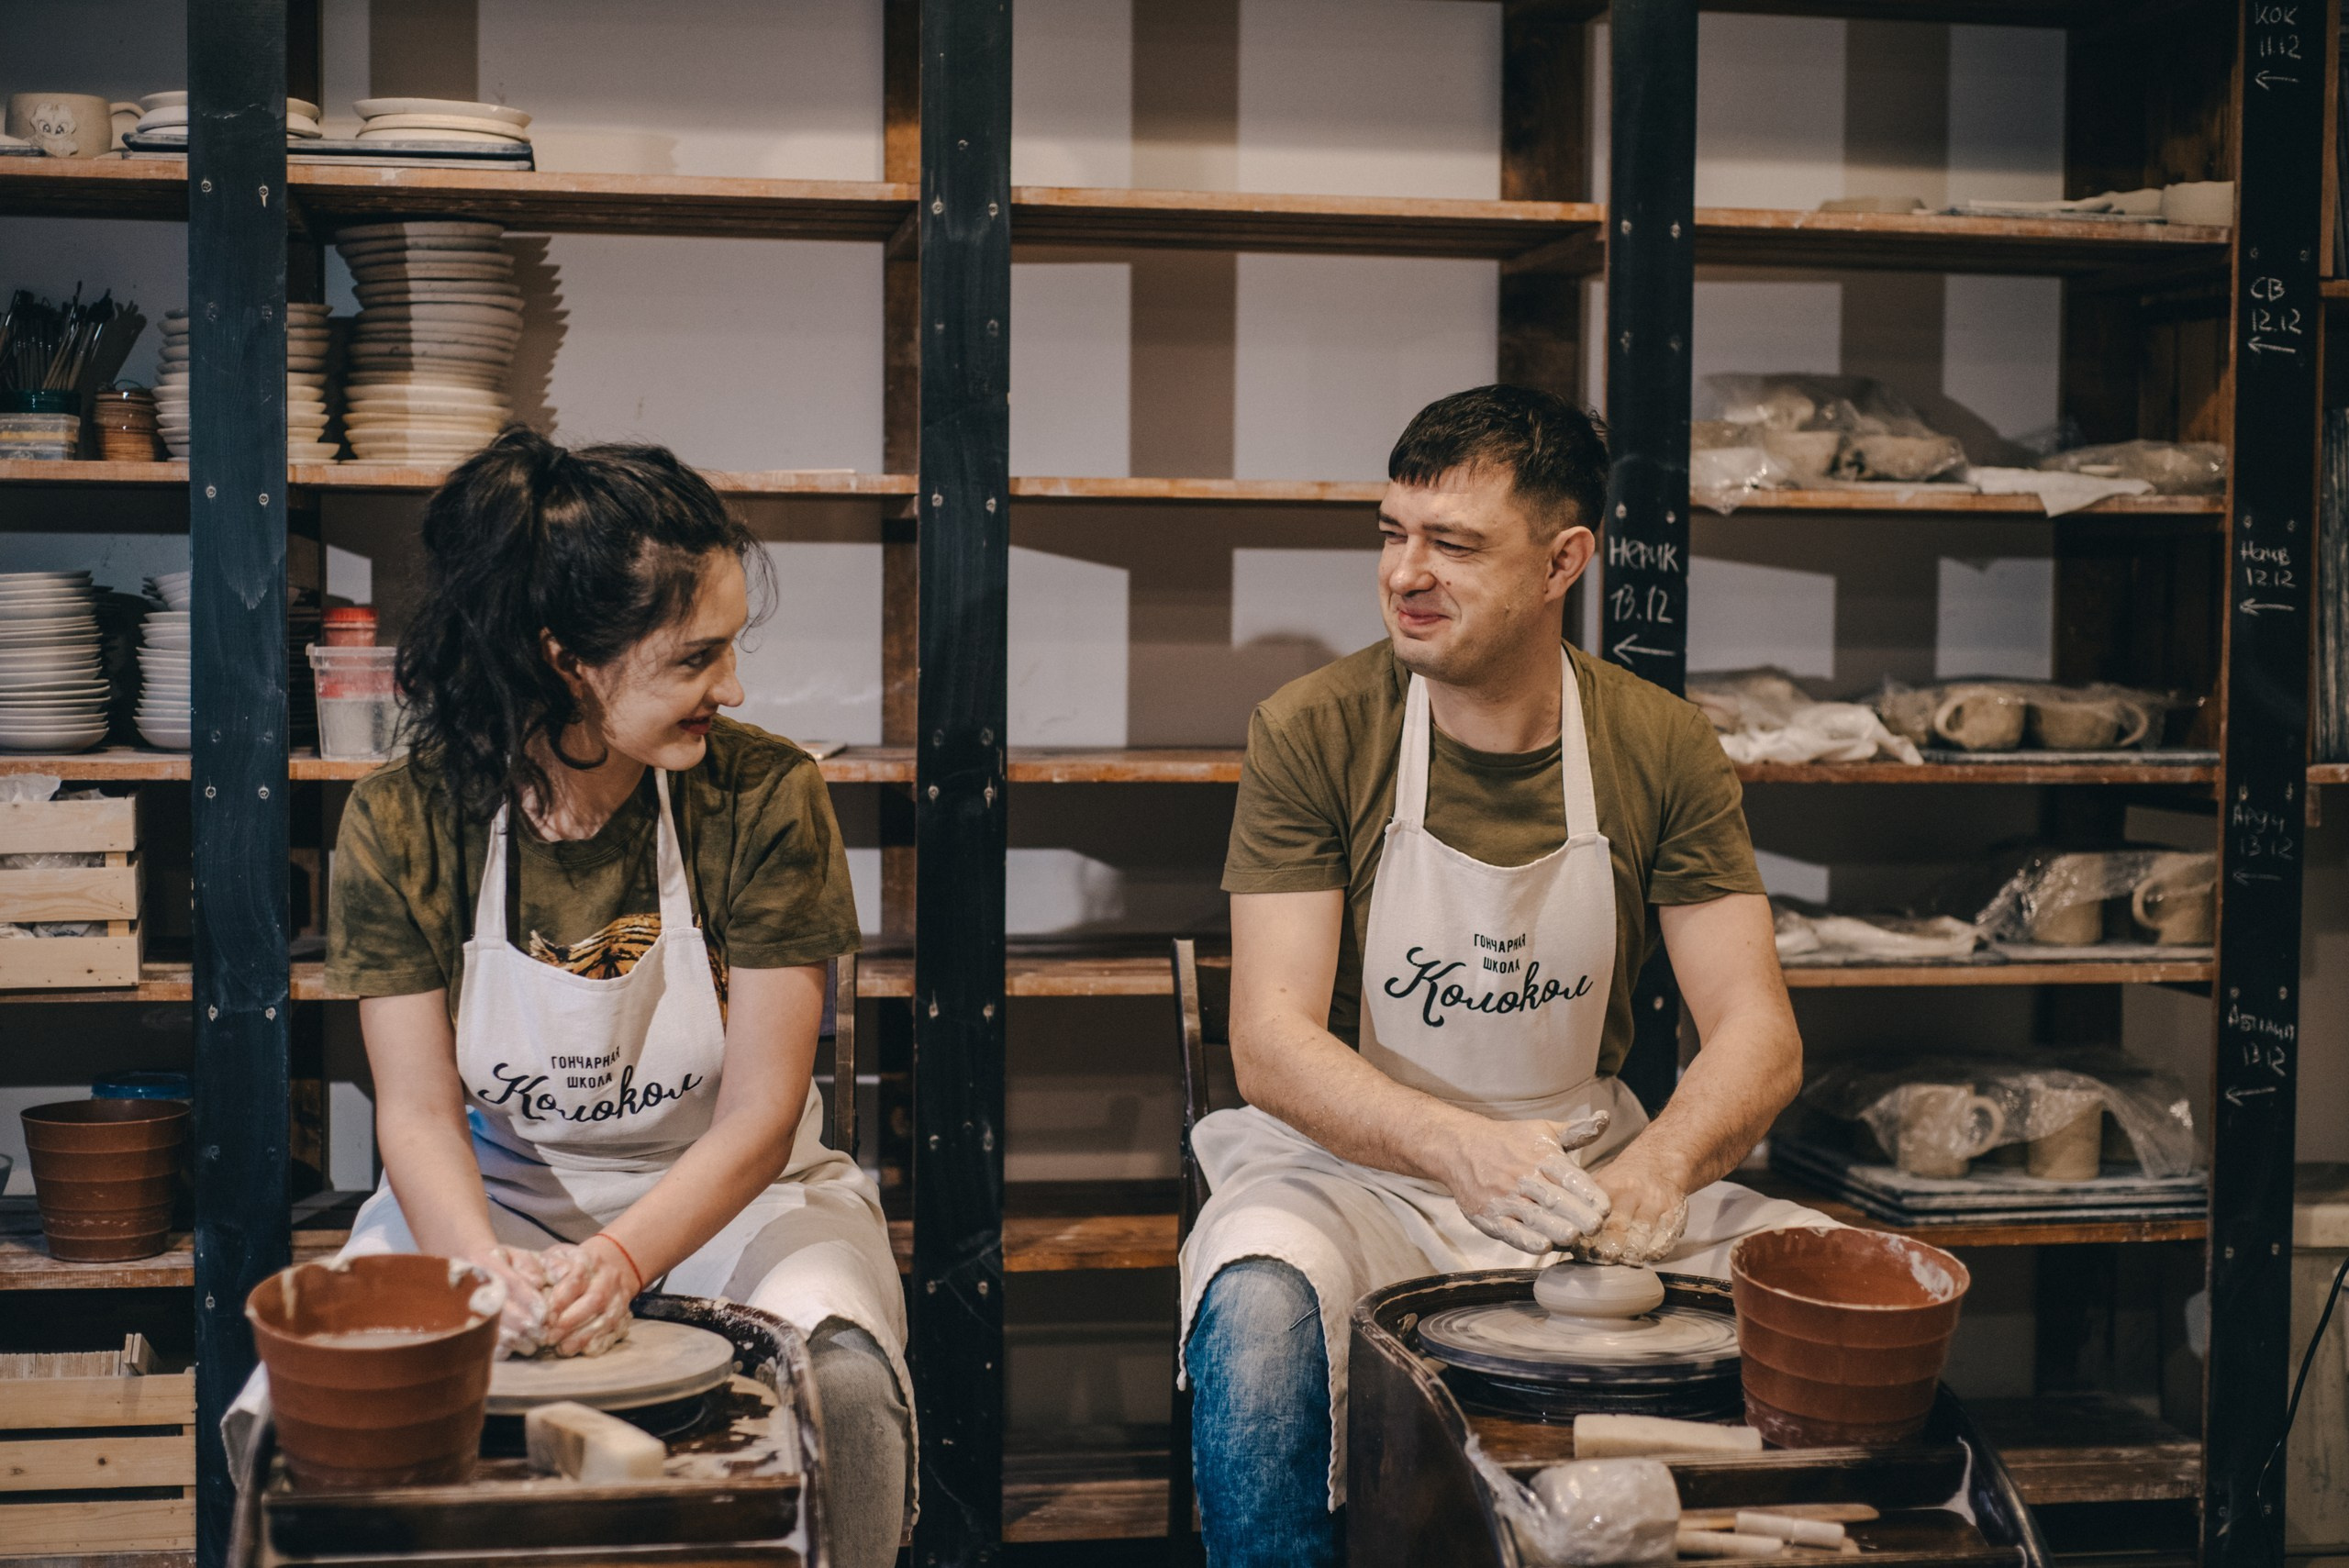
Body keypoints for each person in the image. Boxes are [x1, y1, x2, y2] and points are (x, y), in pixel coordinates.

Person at [1179, 385, 1830, 1568]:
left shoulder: (1657, 742)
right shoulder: (1316, 729)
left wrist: (1659, 1169)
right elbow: (1269, 1042)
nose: (1405, 573)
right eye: (1392, 533)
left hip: (1584, 1162)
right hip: (1353, 1168)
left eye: (1456, 543)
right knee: (1259, 1312)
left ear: (1561, 560)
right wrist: (1454, 1148)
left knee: (1829, 1293)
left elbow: (1756, 1030)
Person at [290, 430, 907, 1564]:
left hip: (736, 1195)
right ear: (565, 655)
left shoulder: (766, 794)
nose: (732, 686)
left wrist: (619, 1262)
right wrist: (485, 1268)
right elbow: (419, 1115)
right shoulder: (403, 817)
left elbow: (763, 1113)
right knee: (308, 1401)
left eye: (732, 651)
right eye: (693, 658)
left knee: (848, 1384)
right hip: (499, 1197)